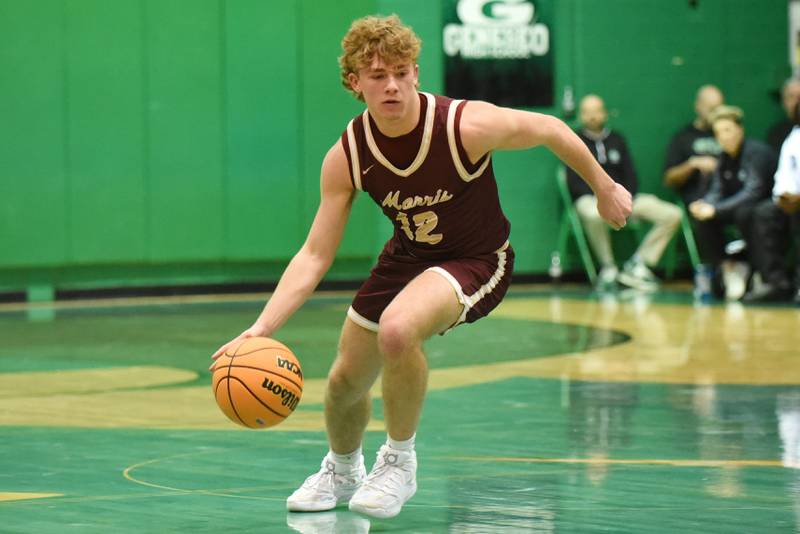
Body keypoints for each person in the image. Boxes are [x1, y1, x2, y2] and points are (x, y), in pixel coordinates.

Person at [210, 15, 632, 519]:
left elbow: (548, 128)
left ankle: (399, 461)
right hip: (408, 257)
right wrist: (259, 330)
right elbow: (315, 254)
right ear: (354, 82)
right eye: (377, 74)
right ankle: (343, 471)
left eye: (401, 71)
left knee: (398, 329)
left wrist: (604, 186)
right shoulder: (348, 154)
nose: (391, 84)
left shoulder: (463, 125)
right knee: (345, 383)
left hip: (478, 259)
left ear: (416, 73)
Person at [566, 95, 681, 291]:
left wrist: (623, 199)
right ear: (581, 115)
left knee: (672, 214)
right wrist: (602, 198)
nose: (593, 116)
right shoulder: (573, 140)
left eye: (597, 111)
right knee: (593, 215)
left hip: (623, 198)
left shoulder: (617, 139)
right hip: (591, 199)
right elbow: (573, 181)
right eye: (587, 112)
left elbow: (631, 174)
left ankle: (639, 265)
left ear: (605, 113)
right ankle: (608, 267)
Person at [689, 105, 777, 300]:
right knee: (703, 219)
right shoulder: (724, 158)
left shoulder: (756, 153)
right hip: (738, 209)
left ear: (740, 129)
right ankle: (725, 268)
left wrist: (715, 209)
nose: (723, 137)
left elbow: (753, 191)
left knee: (745, 213)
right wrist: (704, 205)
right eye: (718, 132)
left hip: (766, 210)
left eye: (727, 130)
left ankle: (758, 272)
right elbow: (717, 190)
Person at [745, 104, 800, 303]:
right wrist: (783, 196)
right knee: (763, 213)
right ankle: (775, 281)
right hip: (793, 202)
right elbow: (784, 175)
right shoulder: (793, 139)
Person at [663, 85, 725, 204]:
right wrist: (692, 164)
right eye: (711, 109)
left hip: (727, 197)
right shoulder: (684, 137)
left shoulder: (726, 134)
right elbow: (668, 179)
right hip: (696, 198)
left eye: (718, 108)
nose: (715, 114)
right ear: (698, 106)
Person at [766, 77, 800, 153]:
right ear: (783, 102)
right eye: (791, 97)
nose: (796, 102)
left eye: (799, 97)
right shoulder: (777, 134)